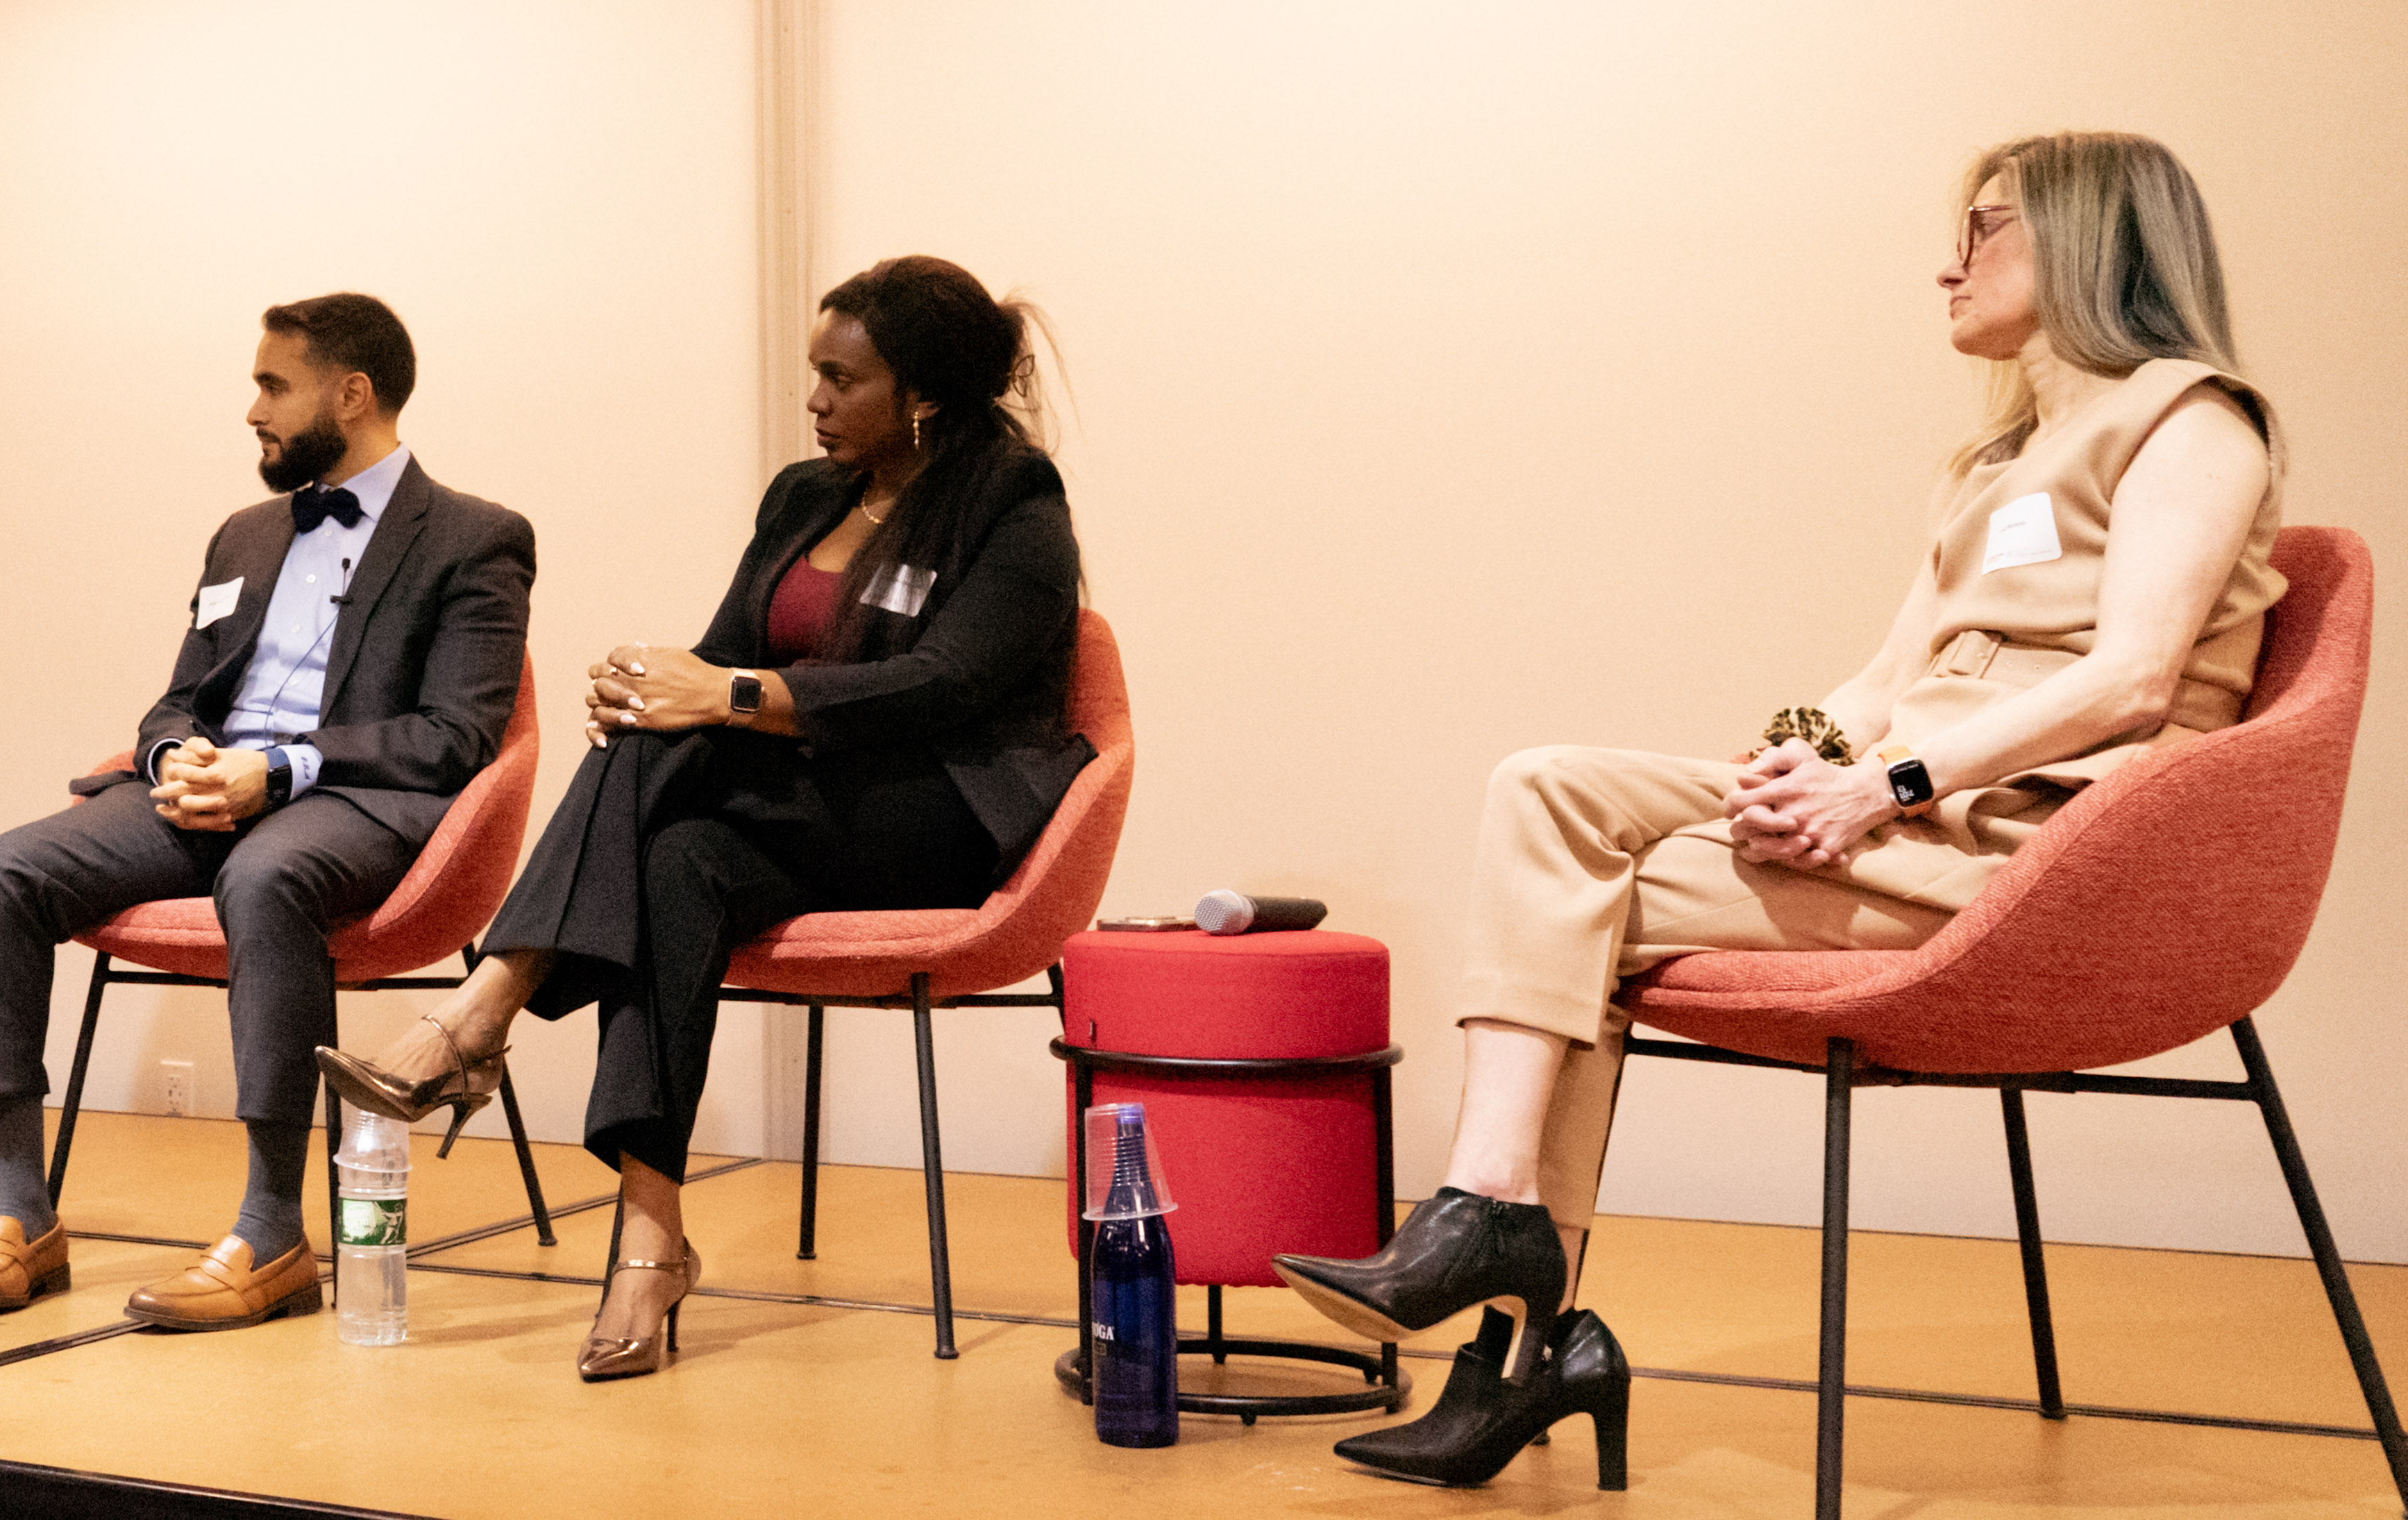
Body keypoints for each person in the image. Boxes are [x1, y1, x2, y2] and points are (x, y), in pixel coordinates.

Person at [1266, 133, 2287, 1488]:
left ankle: (1514, 1308)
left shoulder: (2191, 419)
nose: (1949, 260)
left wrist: (1888, 783)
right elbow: (1881, 682)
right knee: (1550, 789)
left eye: (1982, 229)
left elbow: (2135, 673)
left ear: (2085, 238)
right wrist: (1789, 762)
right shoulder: (1990, 466)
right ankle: (1491, 1223)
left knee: (1582, 911)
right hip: (1906, 808)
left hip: (2036, 851)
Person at [319, 255, 1089, 1380]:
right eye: (812, 374)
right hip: (795, 808)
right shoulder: (802, 494)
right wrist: (656, 685)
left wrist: (721, 696)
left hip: (939, 814)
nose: (814, 400)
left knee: (673, 747)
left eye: (840, 378)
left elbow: (946, 684)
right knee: (673, 855)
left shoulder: (1013, 501)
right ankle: (649, 1231)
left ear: (918, 392)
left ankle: (482, 1007)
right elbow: (725, 653)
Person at [0, 294, 533, 1330]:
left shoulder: (477, 537)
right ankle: (18, 1213)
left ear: (350, 394)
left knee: (264, 878)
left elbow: (454, 736)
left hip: (356, 803)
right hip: (212, 792)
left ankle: (272, 1232)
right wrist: (176, 754)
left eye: (272, 385)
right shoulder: (246, 532)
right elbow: (179, 697)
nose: (251, 410)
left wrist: (282, 768)